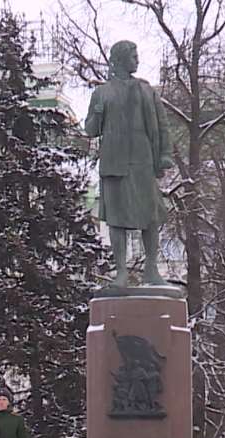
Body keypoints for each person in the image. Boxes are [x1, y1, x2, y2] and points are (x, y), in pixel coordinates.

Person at [82, 40, 172, 288]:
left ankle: (151, 270)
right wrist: (98, 112)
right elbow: (90, 130)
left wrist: (164, 154)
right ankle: (121, 272)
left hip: (143, 159)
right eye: (133, 56)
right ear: (121, 59)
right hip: (115, 161)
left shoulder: (146, 90)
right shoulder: (102, 92)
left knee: (151, 215)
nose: (138, 60)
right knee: (117, 219)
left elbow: (162, 125)